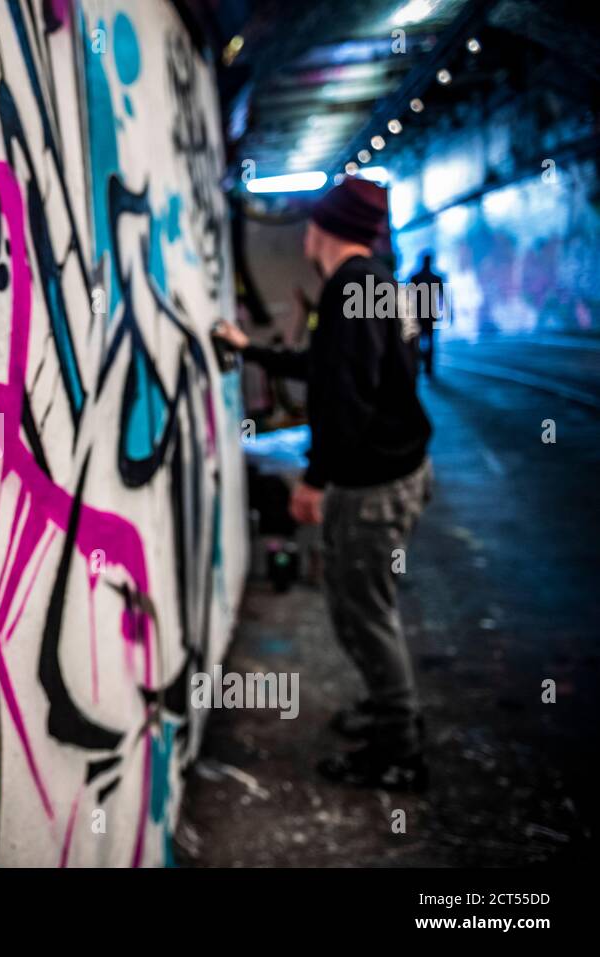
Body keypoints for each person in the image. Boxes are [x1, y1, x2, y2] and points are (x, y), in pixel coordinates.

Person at [213, 177, 434, 791]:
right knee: (362, 608)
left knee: (365, 615)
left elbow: (346, 400)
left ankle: (400, 746)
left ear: (321, 229)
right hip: (399, 471)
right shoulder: (378, 283)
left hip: (373, 485)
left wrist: (313, 479)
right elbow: (332, 368)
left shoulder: (350, 288)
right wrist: (253, 351)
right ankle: (388, 709)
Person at [408, 252, 445, 377]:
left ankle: (420, 364)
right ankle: (428, 367)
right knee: (430, 340)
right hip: (430, 314)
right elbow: (442, 297)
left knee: (417, 341)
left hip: (418, 314)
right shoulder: (436, 278)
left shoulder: (415, 277)